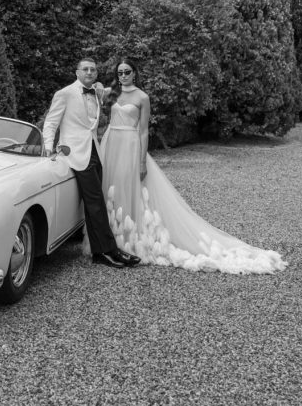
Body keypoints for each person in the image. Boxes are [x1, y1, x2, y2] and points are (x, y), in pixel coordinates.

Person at [99, 57, 287, 274]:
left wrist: (142, 160)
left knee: (132, 190)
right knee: (112, 189)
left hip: (130, 146)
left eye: (127, 72)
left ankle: (132, 241)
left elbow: (143, 131)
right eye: (120, 72)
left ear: (134, 73)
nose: (123, 76)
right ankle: (111, 238)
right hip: (111, 144)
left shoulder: (142, 97)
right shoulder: (112, 93)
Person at [42, 57, 140, 268]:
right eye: (85, 69)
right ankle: (110, 250)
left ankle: (99, 252)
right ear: (77, 72)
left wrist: (123, 80)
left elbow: (116, 90)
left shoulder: (96, 91)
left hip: (95, 151)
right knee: (96, 202)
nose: (89, 72)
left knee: (94, 203)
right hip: (75, 153)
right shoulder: (64, 93)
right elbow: (50, 123)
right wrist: (48, 148)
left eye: (93, 70)